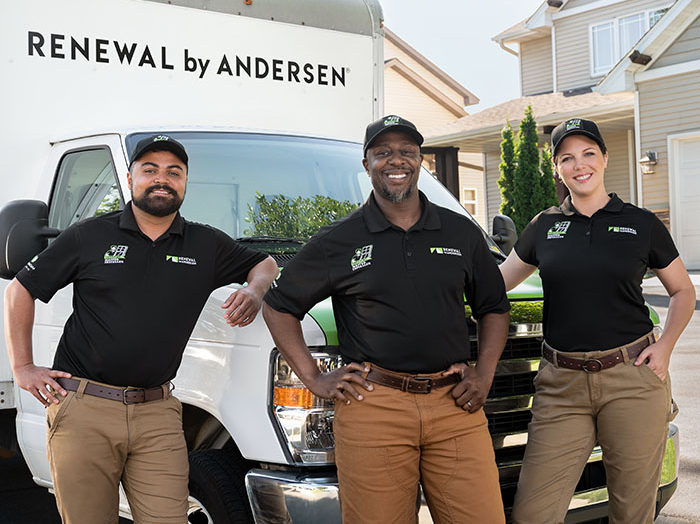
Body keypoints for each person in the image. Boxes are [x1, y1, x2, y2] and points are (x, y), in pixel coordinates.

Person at [4, 135, 279, 524]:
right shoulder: (90, 235)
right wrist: (22, 367)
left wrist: (254, 290)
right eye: (150, 170)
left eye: (174, 172)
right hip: (85, 409)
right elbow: (20, 291)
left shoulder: (205, 243)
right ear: (132, 176)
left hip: (159, 414)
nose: (161, 179)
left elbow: (265, 263)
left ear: (185, 182)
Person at [262, 115, 510, 524]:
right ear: (367, 164)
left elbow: (493, 308)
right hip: (373, 406)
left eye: (407, 152)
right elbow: (279, 305)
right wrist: (313, 377)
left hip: (454, 406)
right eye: (383, 153)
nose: (396, 161)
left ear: (420, 161)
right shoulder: (337, 240)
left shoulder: (459, 232)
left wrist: (484, 374)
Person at [500, 118, 696, 524]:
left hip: (632, 380)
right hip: (561, 386)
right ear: (557, 168)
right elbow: (495, 285)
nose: (579, 164)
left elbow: (683, 291)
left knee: (631, 512)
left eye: (588, 153)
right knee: (533, 513)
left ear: (605, 158)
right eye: (567, 157)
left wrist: (665, 347)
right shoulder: (544, 226)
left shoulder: (641, 224)